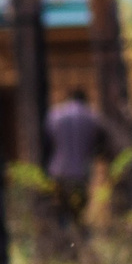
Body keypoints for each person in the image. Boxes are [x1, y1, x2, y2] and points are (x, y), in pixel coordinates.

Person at [45, 86, 109, 234]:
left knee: (60, 213)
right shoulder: (92, 116)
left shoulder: (55, 114)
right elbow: (101, 146)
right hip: (81, 174)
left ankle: (62, 244)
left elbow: (47, 144)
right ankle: (77, 247)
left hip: (57, 173)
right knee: (78, 215)